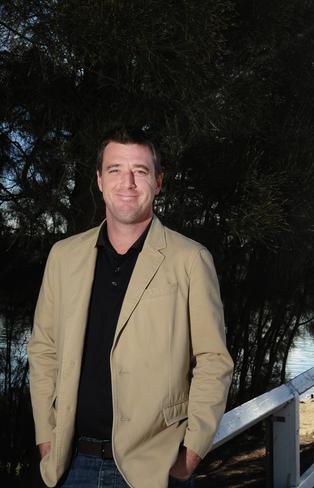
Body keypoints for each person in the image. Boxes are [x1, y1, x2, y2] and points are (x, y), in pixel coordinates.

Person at [27, 127, 234, 488]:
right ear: (99, 180)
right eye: (115, 170)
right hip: (71, 463)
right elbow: (43, 350)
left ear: (158, 182)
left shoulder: (191, 260)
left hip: (155, 468)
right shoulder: (63, 256)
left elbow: (213, 360)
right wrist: (47, 439)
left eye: (140, 171)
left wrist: (191, 453)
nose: (128, 182)